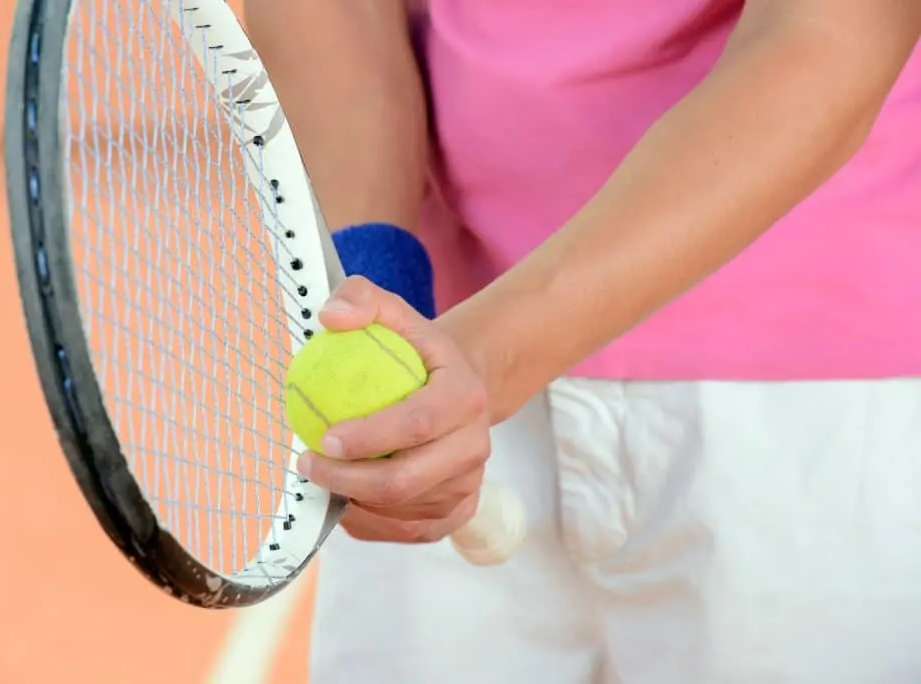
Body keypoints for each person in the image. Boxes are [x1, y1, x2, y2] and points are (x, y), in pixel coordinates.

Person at [246, 1, 921, 682]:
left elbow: (832, 35)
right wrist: (384, 300)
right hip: (444, 371)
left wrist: (481, 357)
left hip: (801, 400)